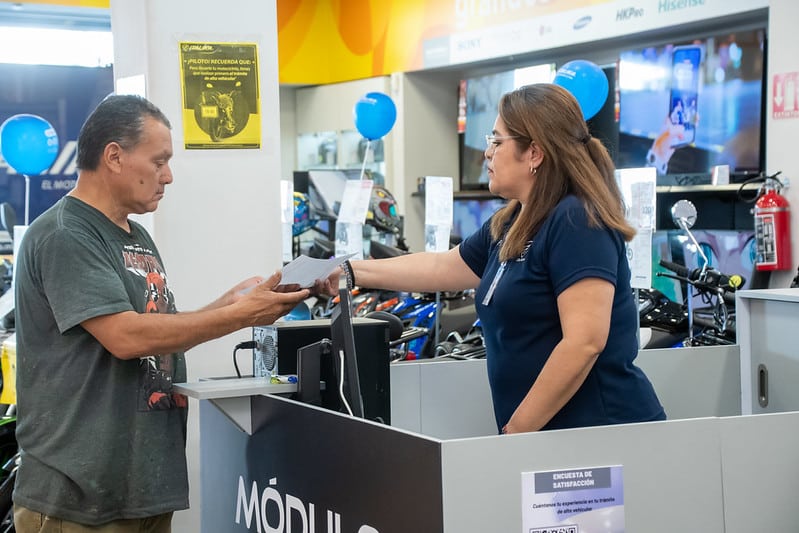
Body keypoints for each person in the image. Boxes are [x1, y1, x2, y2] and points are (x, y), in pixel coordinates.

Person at [12, 94, 310, 532]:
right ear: (114, 156)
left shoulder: (135, 236)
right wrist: (240, 316)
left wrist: (231, 303)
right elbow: (126, 337)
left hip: (140, 492)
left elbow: (156, 327)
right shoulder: (66, 235)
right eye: (159, 161)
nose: (168, 176)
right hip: (78, 502)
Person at [333, 83, 666, 434]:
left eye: (496, 141)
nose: (487, 153)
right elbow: (441, 266)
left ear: (534, 153)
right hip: (548, 438)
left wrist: (516, 432)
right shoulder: (513, 221)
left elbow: (584, 342)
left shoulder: (576, 220)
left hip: (600, 434)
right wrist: (348, 272)